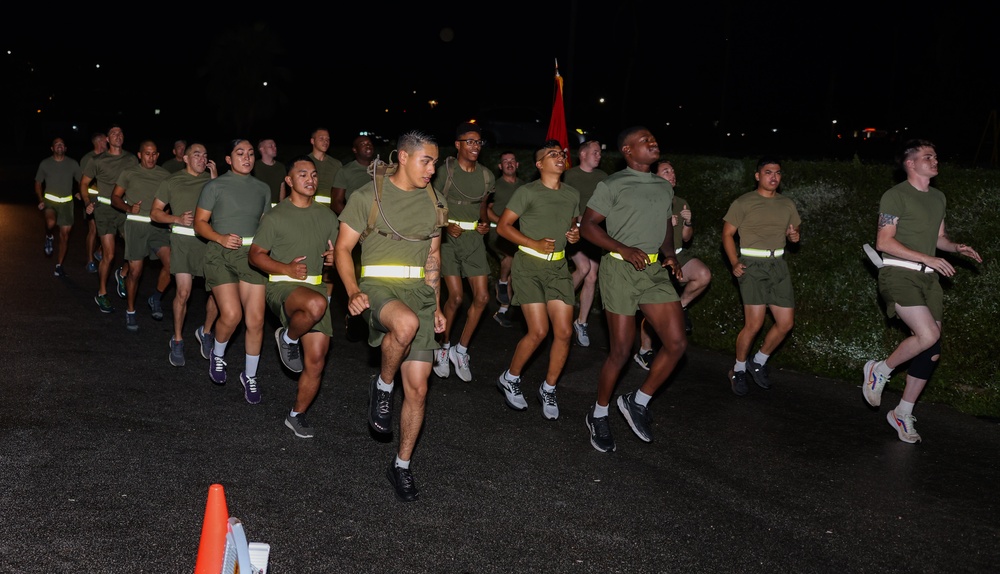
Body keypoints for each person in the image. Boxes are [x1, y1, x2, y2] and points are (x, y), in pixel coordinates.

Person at [334, 130, 447, 502]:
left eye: (434, 161)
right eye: (425, 160)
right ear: (402, 157)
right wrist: (353, 291)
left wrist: (439, 303)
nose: (431, 169)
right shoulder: (369, 197)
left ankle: (401, 465)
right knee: (404, 324)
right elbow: (344, 249)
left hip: (420, 295)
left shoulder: (435, 202)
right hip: (379, 288)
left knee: (417, 389)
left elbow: (433, 259)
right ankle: (383, 385)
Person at [862, 139, 982, 443]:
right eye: (928, 156)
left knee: (931, 351)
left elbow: (939, 237)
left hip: (930, 280)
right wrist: (927, 257)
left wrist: (955, 247)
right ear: (910, 163)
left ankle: (902, 412)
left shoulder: (938, 197)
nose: (935, 160)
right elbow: (884, 242)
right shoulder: (895, 195)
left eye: (936, 156)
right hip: (898, 274)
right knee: (927, 335)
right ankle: (880, 370)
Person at [580, 126, 687, 453]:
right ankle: (598, 413)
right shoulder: (612, 184)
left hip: (654, 271)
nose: (653, 143)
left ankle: (636, 401)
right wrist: (623, 249)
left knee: (677, 343)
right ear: (627, 150)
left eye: (653, 139)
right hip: (620, 270)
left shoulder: (662, 187)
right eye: (645, 141)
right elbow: (587, 226)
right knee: (622, 350)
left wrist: (669, 256)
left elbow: (665, 228)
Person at [249, 156, 339, 438]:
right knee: (316, 303)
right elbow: (255, 256)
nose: (310, 179)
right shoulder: (276, 216)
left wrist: (334, 259)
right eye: (302, 175)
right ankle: (287, 337)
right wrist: (286, 267)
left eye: (313, 175)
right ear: (289, 181)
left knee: (316, 360)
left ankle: (296, 415)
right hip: (283, 286)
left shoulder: (327, 216)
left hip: (315, 289)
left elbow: (336, 257)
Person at [495, 141, 580, 419]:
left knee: (565, 332)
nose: (559, 158)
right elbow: (504, 227)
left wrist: (574, 235)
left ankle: (549, 388)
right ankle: (511, 377)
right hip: (528, 267)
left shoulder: (572, 194)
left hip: (558, 269)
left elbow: (572, 225)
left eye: (562, 154)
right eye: (552, 155)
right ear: (539, 164)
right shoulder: (526, 192)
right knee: (539, 331)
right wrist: (532, 242)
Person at [194, 139, 272, 404]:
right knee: (231, 314)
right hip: (220, 254)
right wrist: (219, 238)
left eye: (251, 154)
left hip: (252, 257)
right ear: (228, 159)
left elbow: (265, 226)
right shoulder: (214, 186)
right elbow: (199, 223)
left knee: (257, 320)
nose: (247, 158)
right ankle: (218, 355)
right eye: (240, 153)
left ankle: (249, 376)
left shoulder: (263, 189)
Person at [721, 157, 802, 396]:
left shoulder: (787, 204)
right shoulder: (744, 202)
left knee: (786, 323)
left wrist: (794, 237)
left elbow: (793, 233)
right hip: (752, 266)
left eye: (777, 173)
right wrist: (735, 261)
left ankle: (758, 361)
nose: (773, 177)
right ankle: (738, 369)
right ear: (758, 176)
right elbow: (727, 235)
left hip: (778, 265)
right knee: (754, 324)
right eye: (768, 172)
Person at [634, 160, 713, 369]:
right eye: (666, 171)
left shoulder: (680, 201)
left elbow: (686, 239)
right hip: (655, 259)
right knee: (653, 310)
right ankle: (644, 350)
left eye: (673, 171)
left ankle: (680, 306)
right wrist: (664, 224)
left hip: (678, 256)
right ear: (655, 177)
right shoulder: (648, 200)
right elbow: (641, 234)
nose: (672, 174)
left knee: (703, 275)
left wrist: (688, 223)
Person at [431, 122, 494, 382]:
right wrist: (445, 225)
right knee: (455, 297)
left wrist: (484, 224)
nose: (475, 146)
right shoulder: (444, 171)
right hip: (447, 240)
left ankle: (461, 350)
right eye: (470, 141)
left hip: (473, 242)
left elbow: (482, 205)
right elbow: (430, 202)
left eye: (478, 142)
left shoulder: (487, 175)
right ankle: (444, 347)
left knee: (482, 298)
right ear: (458, 144)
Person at [150, 142, 220, 366]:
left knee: (218, 294)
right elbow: (155, 213)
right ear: (186, 159)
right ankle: (178, 339)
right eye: (196, 155)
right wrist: (177, 219)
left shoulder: (213, 182)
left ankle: (206, 332)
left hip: (208, 244)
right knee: (183, 292)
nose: (202, 158)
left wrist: (216, 179)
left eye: (205, 155)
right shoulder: (172, 180)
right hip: (182, 243)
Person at [110, 140, 173, 332]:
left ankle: (155, 297)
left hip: (157, 226)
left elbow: (170, 201)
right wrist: (129, 208)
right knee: (136, 272)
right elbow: (115, 197)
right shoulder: (129, 173)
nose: (151, 157)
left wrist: (169, 219)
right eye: (147, 153)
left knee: (172, 265)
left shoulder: (165, 175)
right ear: (139, 155)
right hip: (136, 226)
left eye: (154, 153)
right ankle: (130, 311)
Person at [80, 125, 138, 314]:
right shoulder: (97, 160)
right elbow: (84, 183)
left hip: (124, 208)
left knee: (135, 250)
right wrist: (88, 201)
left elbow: (139, 182)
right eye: (113, 133)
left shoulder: (131, 159)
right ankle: (102, 293)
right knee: (109, 254)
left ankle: (121, 274)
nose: (117, 136)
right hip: (104, 210)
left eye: (120, 133)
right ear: (107, 139)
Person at [563, 139, 609, 347]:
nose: (599, 155)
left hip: (595, 233)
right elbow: (562, 201)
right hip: (574, 231)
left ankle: (581, 322)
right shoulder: (570, 176)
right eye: (595, 152)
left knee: (592, 276)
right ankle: (559, 304)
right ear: (583, 154)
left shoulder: (603, 178)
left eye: (600, 152)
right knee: (583, 267)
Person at [485, 151, 523, 328]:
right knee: (511, 255)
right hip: (497, 232)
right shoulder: (495, 186)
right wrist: (502, 223)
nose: (509, 163)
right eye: (505, 161)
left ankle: (503, 311)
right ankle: (501, 282)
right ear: (500, 167)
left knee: (518, 267)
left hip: (517, 233)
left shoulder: (524, 187)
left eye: (512, 160)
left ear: (517, 165)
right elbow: (486, 210)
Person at [34, 137, 82, 277]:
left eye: (62, 144)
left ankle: (59, 266)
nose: (59, 146)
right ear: (52, 148)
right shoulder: (45, 164)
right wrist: (40, 198)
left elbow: (81, 180)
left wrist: (80, 191)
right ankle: (49, 236)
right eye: (56, 144)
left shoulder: (73, 164)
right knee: (50, 222)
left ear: (65, 148)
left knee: (65, 236)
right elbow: (38, 183)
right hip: (50, 201)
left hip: (67, 204)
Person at [307, 127, 343, 301]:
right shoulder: (304, 162)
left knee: (330, 262)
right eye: (321, 138)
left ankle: (326, 303)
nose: (325, 141)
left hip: (329, 220)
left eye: (328, 138)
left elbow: (340, 195)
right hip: (307, 219)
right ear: (312, 141)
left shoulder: (336, 165)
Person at [80, 132, 108, 273]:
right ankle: (90, 260)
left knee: (110, 228)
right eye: (105, 140)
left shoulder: (107, 156)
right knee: (94, 229)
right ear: (98, 142)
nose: (107, 142)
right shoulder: (88, 158)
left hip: (106, 198)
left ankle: (99, 251)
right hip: (92, 197)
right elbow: (82, 180)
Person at [331, 134, 376, 215]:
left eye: (369, 143)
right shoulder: (345, 171)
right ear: (355, 150)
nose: (368, 146)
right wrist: (353, 219)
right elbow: (336, 203)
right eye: (363, 144)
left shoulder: (383, 169)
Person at [253, 138, 286, 206]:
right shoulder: (254, 167)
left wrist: (282, 206)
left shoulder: (281, 167)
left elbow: (282, 188)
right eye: (270, 146)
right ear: (262, 149)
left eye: (275, 146)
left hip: (274, 207)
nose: (274, 148)